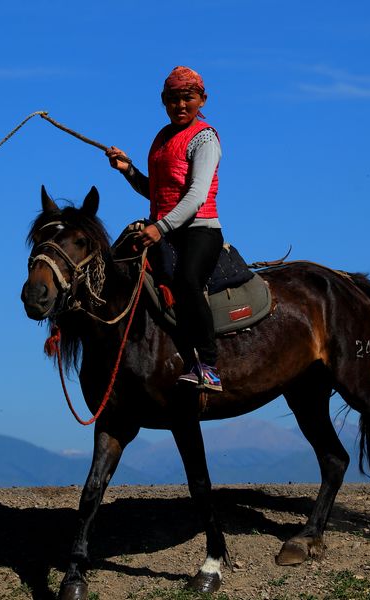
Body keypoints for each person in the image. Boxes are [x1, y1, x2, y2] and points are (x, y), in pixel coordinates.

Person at [106, 66, 224, 393]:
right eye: (173, 99)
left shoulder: (205, 138)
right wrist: (128, 170)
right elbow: (156, 191)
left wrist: (160, 227)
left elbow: (196, 196)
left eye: (188, 98)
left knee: (186, 280)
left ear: (203, 99)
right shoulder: (161, 138)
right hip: (166, 228)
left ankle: (209, 365)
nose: (181, 105)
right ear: (163, 101)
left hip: (200, 230)